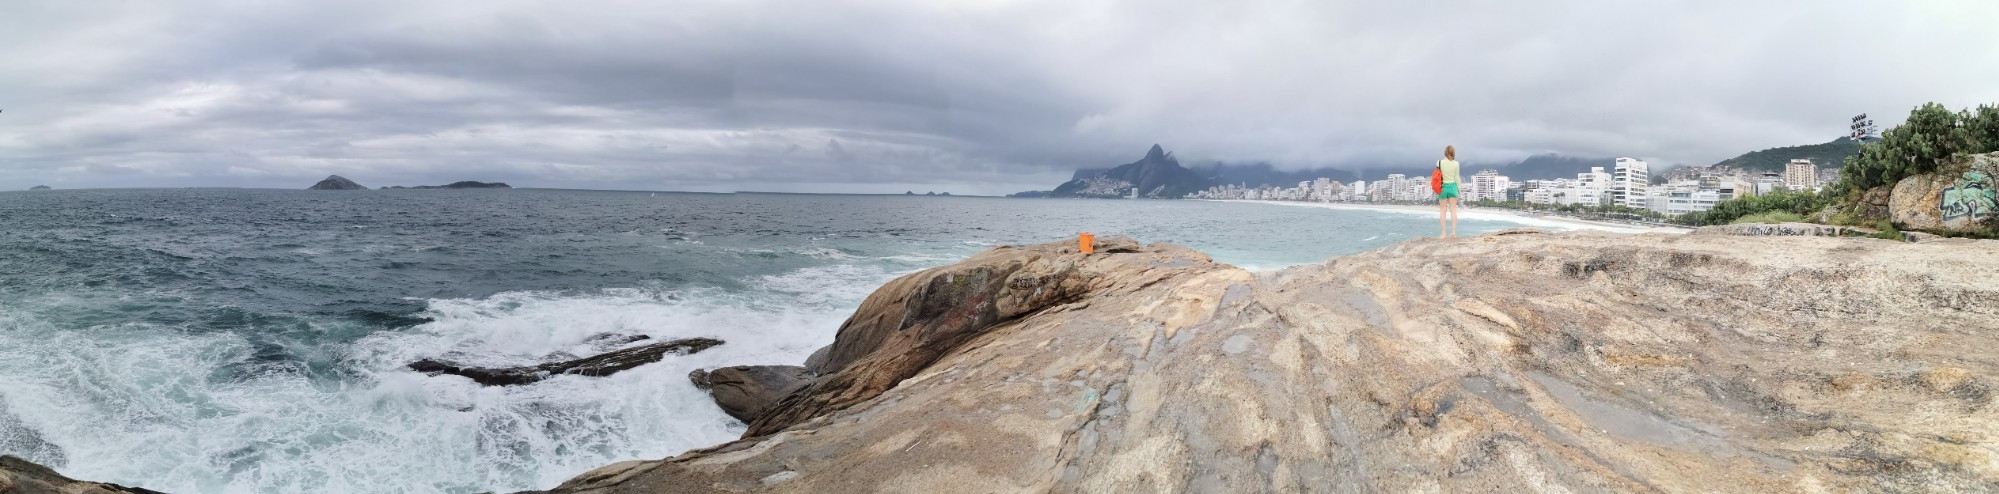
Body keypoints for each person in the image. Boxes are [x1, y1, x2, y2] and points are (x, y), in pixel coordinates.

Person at [1436, 145, 1461, 237]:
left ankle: (1443, 233)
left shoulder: (1439, 162)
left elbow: (1438, 175)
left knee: (1443, 211)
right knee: (1453, 210)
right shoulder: (1456, 164)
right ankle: (1453, 233)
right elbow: (1457, 177)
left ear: (1445, 152)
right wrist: (1459, 188)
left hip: (1443, 187)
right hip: (1453, 187)